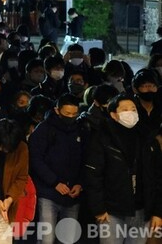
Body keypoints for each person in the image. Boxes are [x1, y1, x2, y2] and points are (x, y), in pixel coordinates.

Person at [83, 93, 162, 244]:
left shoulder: (147, 139)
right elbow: (93, 175)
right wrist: (98, 209)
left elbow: (158, 177)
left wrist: (158, 212)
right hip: (112, 211)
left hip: (142, 210)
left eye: (133, 109)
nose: (130, 113)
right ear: (114, 114)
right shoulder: (102, 138)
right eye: (125, 109)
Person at [28, 94, 84, 244]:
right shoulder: (44, 129)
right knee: (47, 239)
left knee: (69, 239)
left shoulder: (80, 129)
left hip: (72, 194)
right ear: (57, 110)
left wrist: (79, 183)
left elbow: (85, 159)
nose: (71, 117)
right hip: (48, 193)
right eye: (67, 113)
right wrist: (54, 182)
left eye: (74, 114)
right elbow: (36, 160)